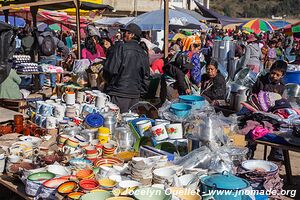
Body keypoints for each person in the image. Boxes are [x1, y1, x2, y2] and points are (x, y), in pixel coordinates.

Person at [103, 23, 150, 113]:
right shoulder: (143, 53)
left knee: (116, 121)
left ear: (132, 35)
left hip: (119, 92)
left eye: (127, 32)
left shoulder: (121, 48)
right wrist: (140, 92)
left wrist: (110, 84)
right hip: (134, 95)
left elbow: (110, 70)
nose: (124, 34)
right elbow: (146, 77)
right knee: (130, 122)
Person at [38, 27, 69, 92]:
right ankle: (53, 87)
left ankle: (41, 87)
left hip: (42, 58)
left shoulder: (40, 38)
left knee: (42, 72)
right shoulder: (55, 39)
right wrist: (64, 54)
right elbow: (64, 48)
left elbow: (35, 48)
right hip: (52, 58)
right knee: (53, 72)